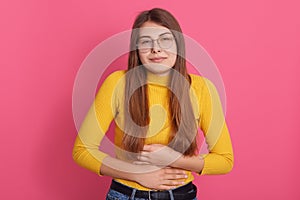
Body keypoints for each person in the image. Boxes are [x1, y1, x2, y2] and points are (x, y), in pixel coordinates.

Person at [72, 8, 234, 200]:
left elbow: (225, 160)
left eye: (165, 40)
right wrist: (138, 175)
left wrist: (173, 159)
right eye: (146, 42)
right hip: (126, 195)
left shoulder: (202, 88)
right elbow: (82, 150)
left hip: (182, 195)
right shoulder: (118, 83)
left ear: (178, 45)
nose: (156, 49)